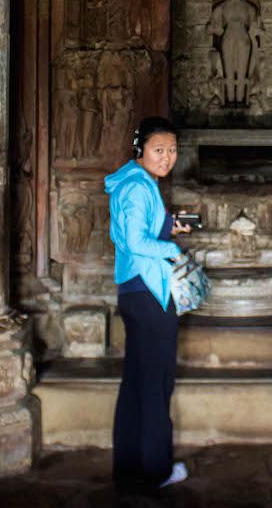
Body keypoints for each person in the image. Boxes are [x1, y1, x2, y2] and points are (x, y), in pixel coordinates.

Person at [105, 116, 192, 490]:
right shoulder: (139, 187)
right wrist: (172, 248)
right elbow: (134, 241)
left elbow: (138, 232)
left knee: (138, 382)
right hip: (149, 292)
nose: (167, 157)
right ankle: (157, 469)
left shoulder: (138, 183)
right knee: (157, 383)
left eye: (172, 150)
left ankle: (129, 466)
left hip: (135, 290)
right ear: (140, 150)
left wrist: (169, 225)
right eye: (159, 150)